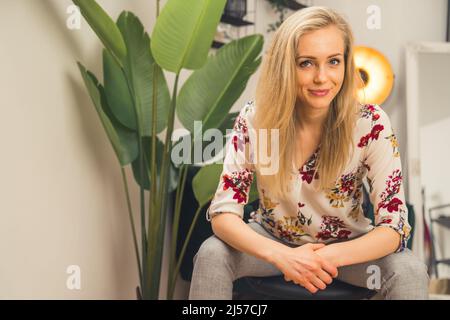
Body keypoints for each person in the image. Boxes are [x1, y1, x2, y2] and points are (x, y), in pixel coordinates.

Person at [189, 6, 429, 300]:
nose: (322, 77)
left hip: (348, 250)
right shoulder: (256, 119)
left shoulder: (370, 122)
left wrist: (324, 257)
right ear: (286, 66)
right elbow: (224, 214)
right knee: (212, 254)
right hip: (273, 242)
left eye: (333, 62)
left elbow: (394, 228)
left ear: (345, 63)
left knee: (410, 270)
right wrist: (284, 256)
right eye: (306, 63)